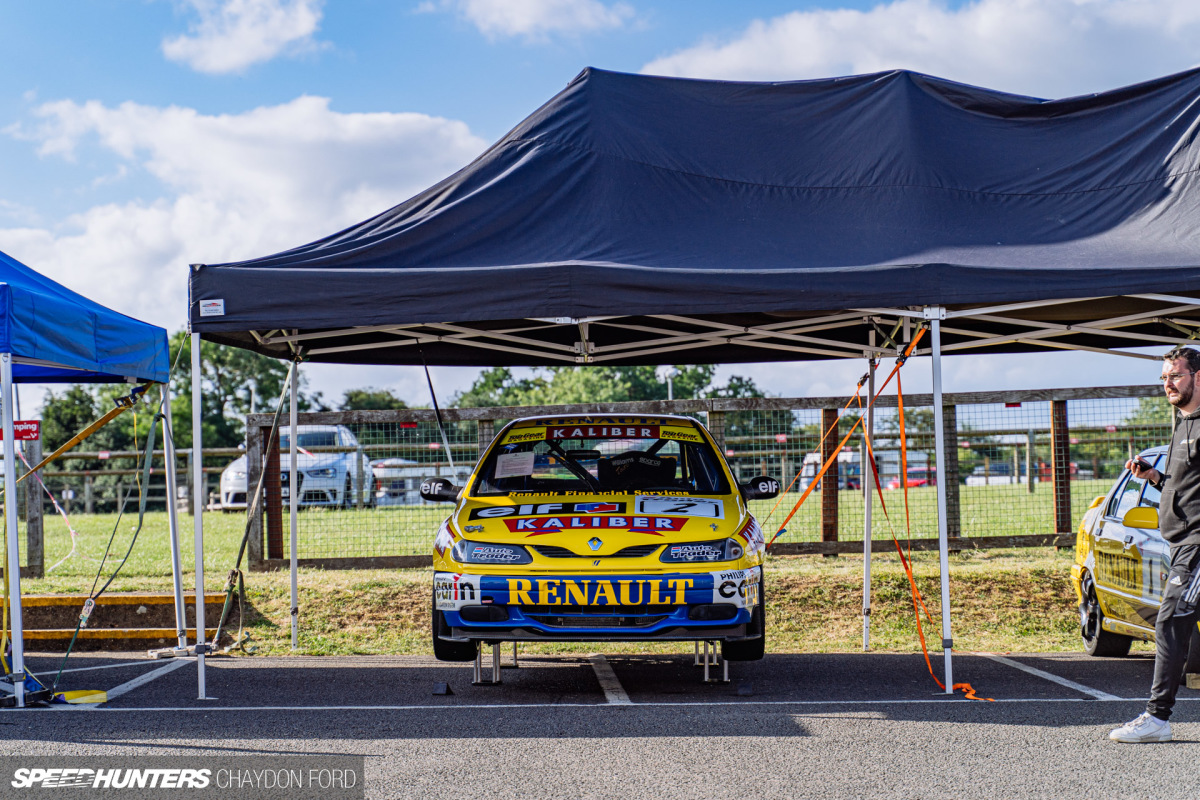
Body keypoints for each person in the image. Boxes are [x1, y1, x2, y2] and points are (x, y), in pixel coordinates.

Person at [1110, 345, 1200, 743]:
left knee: (1169, 622)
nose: (1168, 384)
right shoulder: (1181, 422)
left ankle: (1156, 719)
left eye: (1176, 375)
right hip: (1180, 543)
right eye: (1164, 377)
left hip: (1198, 546)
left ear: (1198, 377)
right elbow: (1184, 489)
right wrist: (1154, 478)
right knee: (1174, 624)